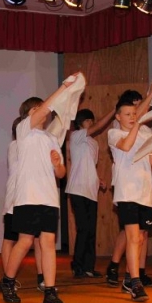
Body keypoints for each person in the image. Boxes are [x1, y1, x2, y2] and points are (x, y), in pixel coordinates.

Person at [0, 76, 80, 303]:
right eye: (36, 109)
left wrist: (57, 164)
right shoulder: (24, 131)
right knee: (24, 241)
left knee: (48, 242)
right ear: (28, 115)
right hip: (27, 197)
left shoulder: (52, 138)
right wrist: (64, 88)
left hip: (49, 198)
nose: (42, 112)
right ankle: (8, 281)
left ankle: (50, 290)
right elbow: (46, 108)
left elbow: (61, 173)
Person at [107, 86, 152, 302]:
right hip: (127, 192)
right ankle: (135, 283)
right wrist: (138, 124)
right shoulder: (115, 133)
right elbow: (126, 146)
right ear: (118, 117)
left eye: (134, 114)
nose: (132, 117)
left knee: (140, 238)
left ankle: (128, 279)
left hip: (144, 193)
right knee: (132, 237)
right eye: (128, 114)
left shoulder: (146, 134)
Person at [0, 117, 46, 292]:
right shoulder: (16, 145)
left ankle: (42, 278)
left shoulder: (35, 143)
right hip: (14, 200)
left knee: (39, 240)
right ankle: (8, 279)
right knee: (10, 239)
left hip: (31, 199)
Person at [66, 107, 114, 278]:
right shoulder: (76, 136)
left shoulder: (94, 143)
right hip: (77, 189)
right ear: (80, 122)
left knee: (91, 230)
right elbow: (98, 126)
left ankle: (88, 267)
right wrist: (113, 110)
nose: (91, 123)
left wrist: (98, 179)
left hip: (91, 190)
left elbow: (89, 165)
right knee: (83, 228)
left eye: (91, 120)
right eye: (88, 120)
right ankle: (77, 265)